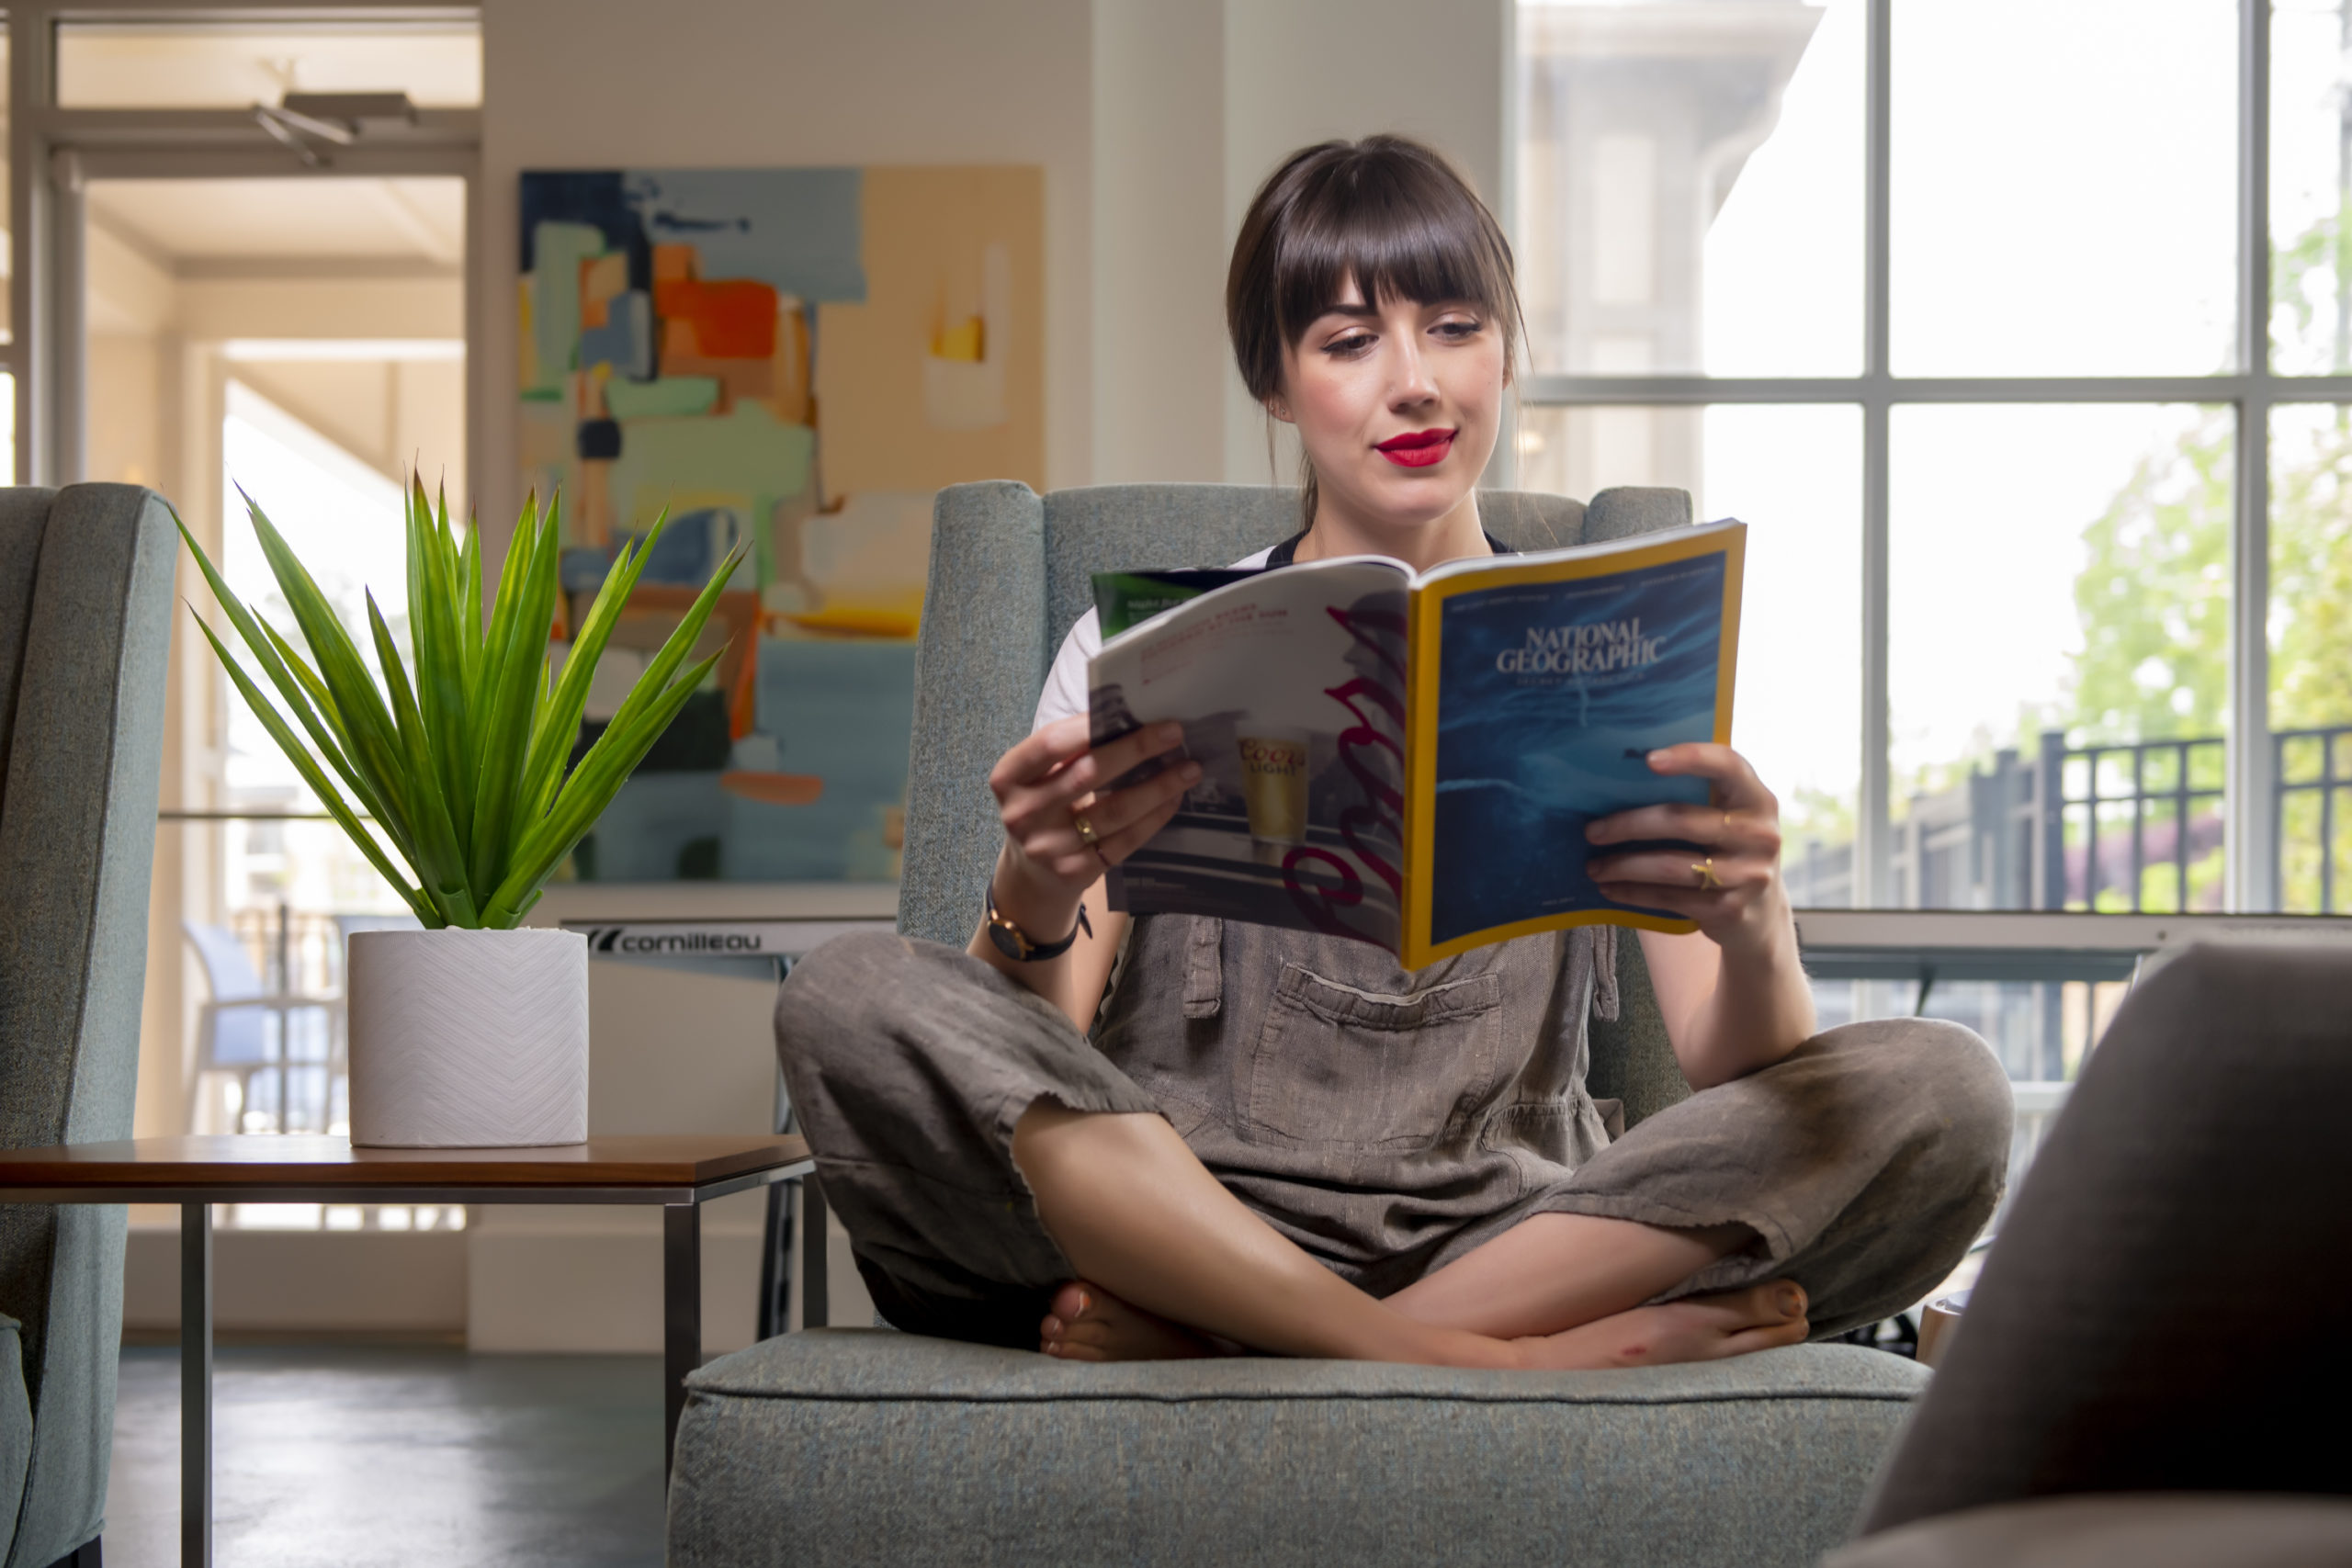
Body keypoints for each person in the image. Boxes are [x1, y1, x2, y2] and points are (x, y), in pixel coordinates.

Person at [775, 135, 2012, 1370]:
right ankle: (1500, 1359)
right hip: (1186, 1207)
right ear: (1277, 383)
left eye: (1456, 326)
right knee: (849, 994)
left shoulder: (1610, 651)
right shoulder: (1134, 647)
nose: (1413, 383)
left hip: (1524, 1228)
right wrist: (1031, 890)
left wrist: (1752, 923)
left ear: (1506, 351)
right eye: (1350, 341)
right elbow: (1042, 1045)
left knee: (1944, 1089)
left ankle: (1253, 1343)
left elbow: (1732, 1068)